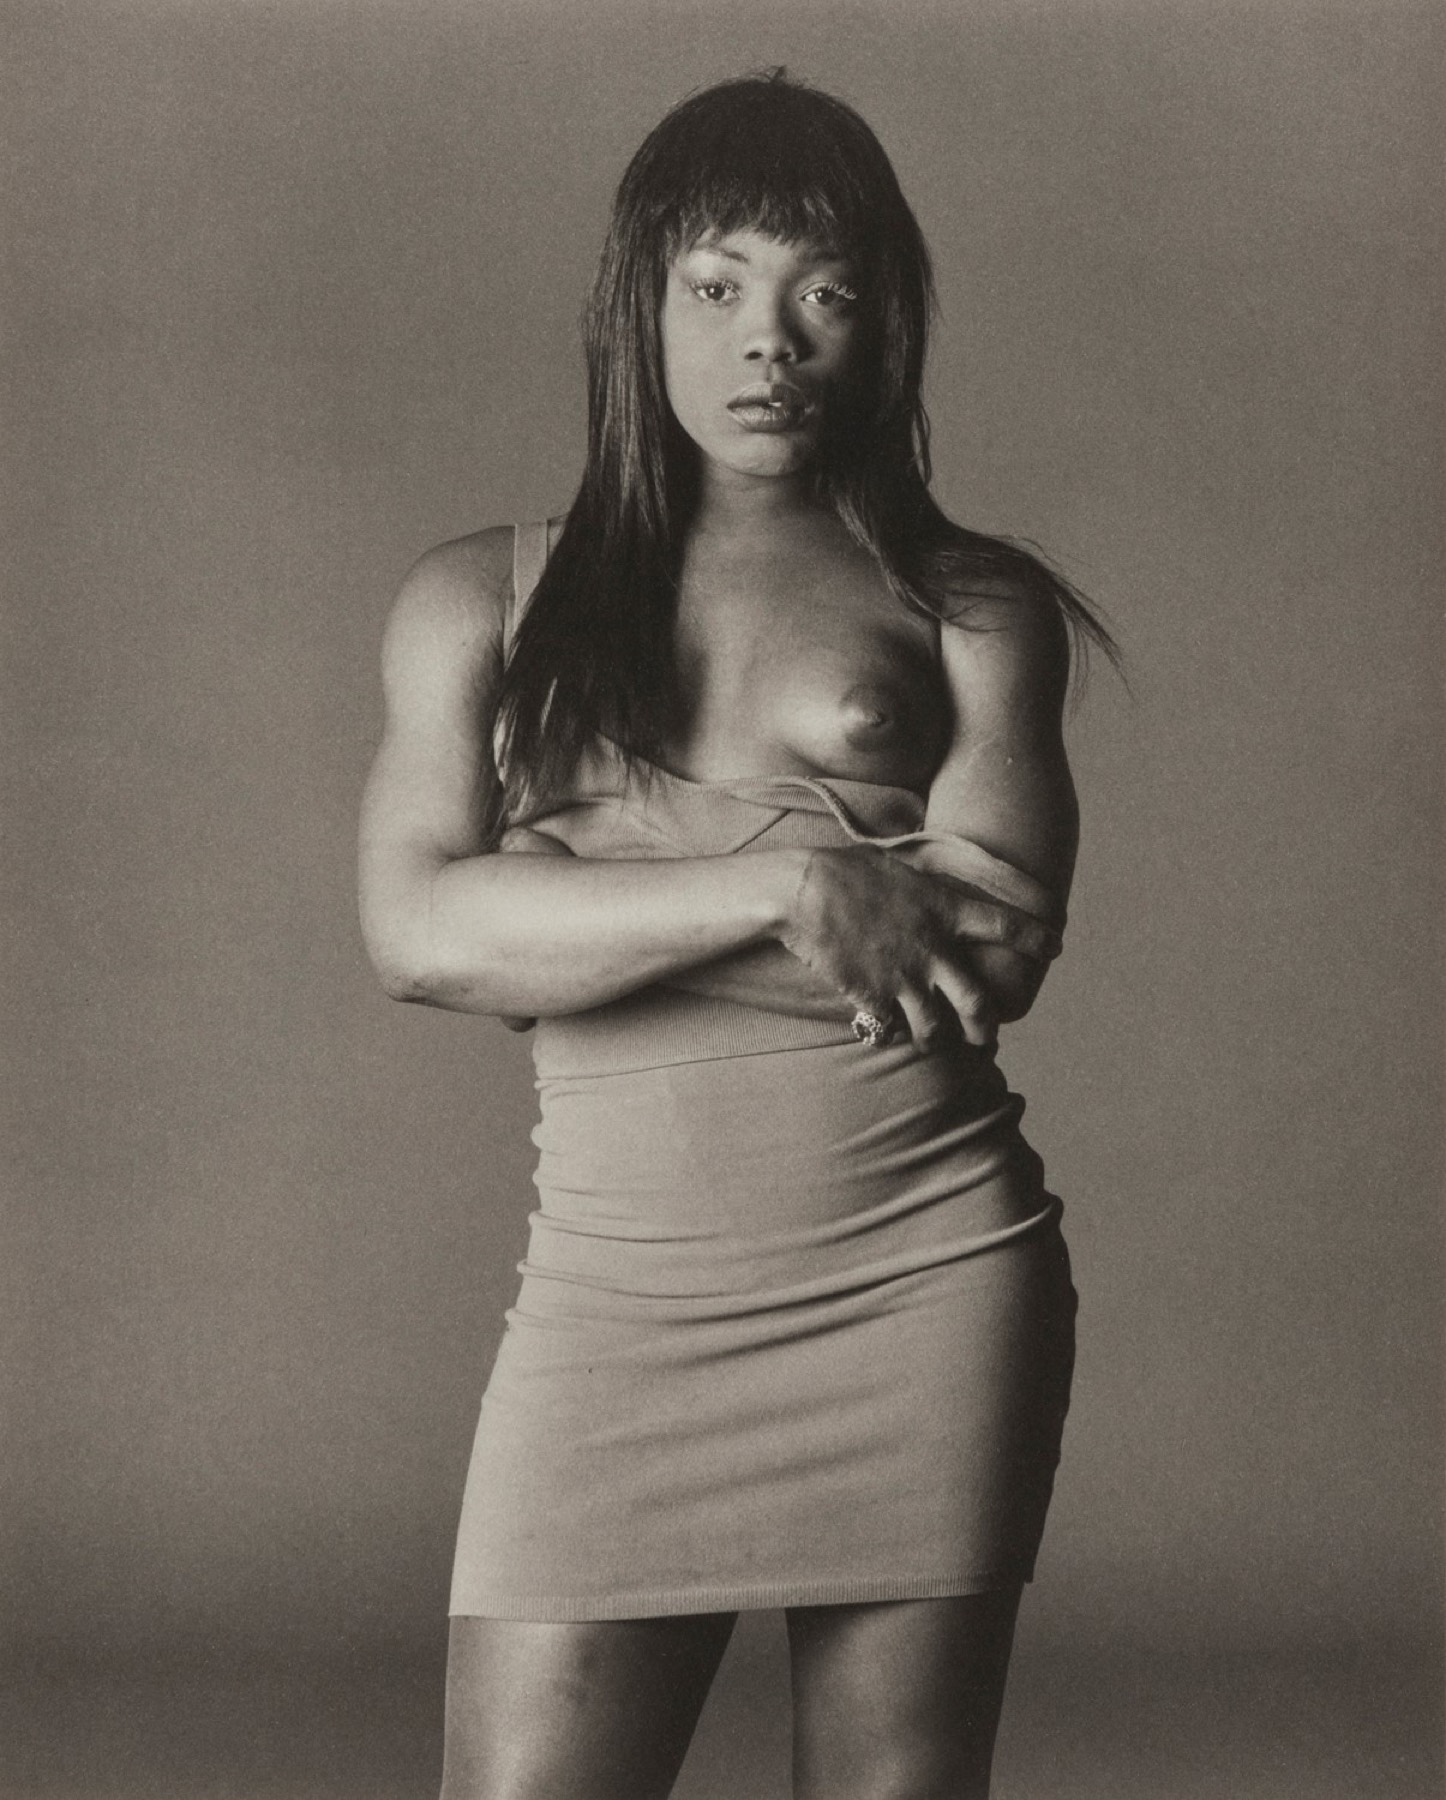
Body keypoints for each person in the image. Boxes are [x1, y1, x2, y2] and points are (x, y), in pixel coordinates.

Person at [359, 71, 1116, 1800]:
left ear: (884, 320)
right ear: (638, 306)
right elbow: (416, 931)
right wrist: (795, 885)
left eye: (822, 291)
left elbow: (989, 954)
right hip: (612, 1305)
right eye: (716, 286)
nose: (769, 339)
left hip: (921, 1279)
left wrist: (557, 911)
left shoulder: (970, 604)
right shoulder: (479, 599)